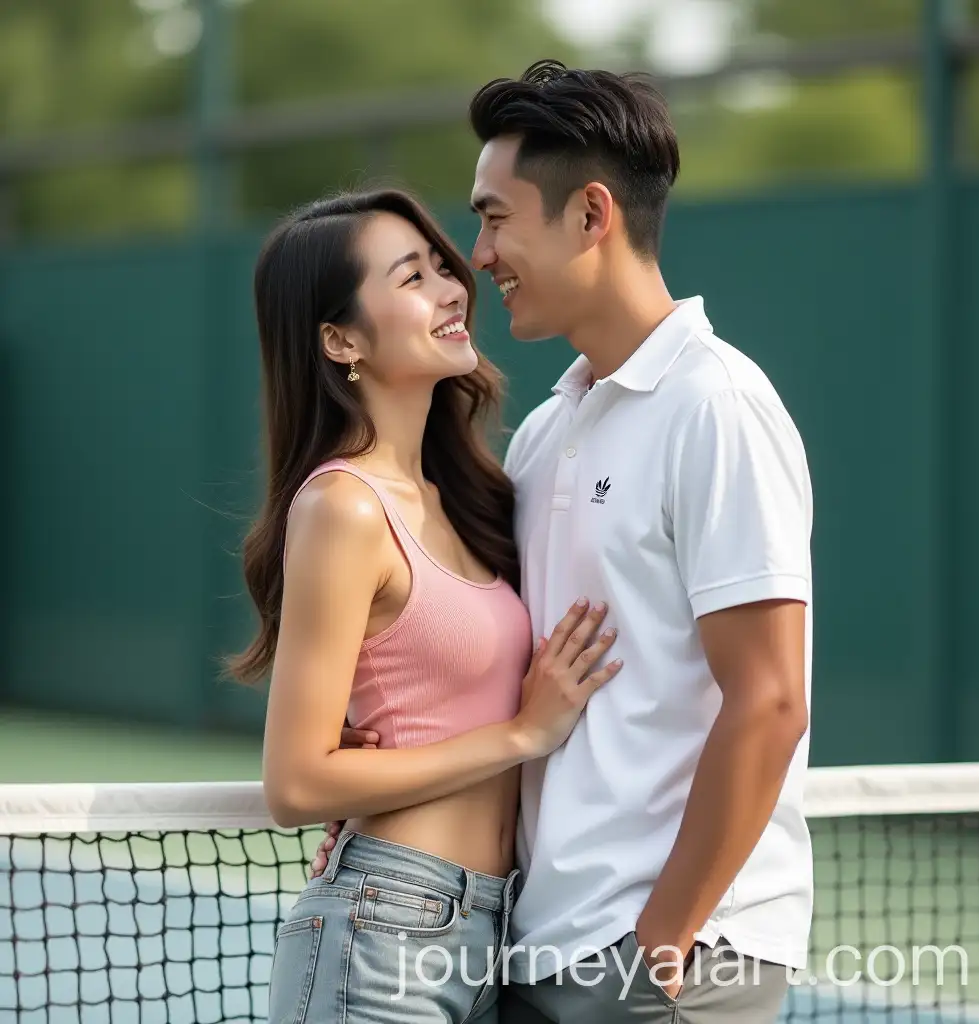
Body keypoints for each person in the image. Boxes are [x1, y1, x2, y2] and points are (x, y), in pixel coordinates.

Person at [317, 60, 815, 1023]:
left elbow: (771, 701)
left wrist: (660, 943)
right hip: (535, 946)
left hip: (666, 960)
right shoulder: (549, 430)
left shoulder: (718, 406)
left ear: (591, 215)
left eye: (496, 217)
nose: (478, 252)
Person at [228, 188, 624, 1024]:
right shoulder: (342, 508)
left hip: (498, 926)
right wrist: (519, 734)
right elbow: (296, 783)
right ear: (340, 339)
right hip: (384, 931)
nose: (452, 288)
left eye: (445, 266)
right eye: (413, 276)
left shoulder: (470, 497)